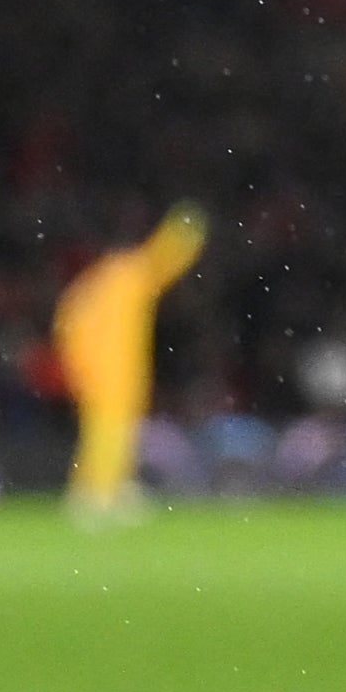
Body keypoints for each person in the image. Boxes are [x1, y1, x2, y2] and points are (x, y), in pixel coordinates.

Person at [54, 204, 206, 520]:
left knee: (112, 431)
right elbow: (162, 262)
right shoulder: (126, 276)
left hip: (111, 369)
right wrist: (185, 235)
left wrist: (77, 363)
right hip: (111, 370)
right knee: (109, 431)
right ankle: (96, 494)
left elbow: (68, 323)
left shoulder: (100, 281)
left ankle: (105, 487)